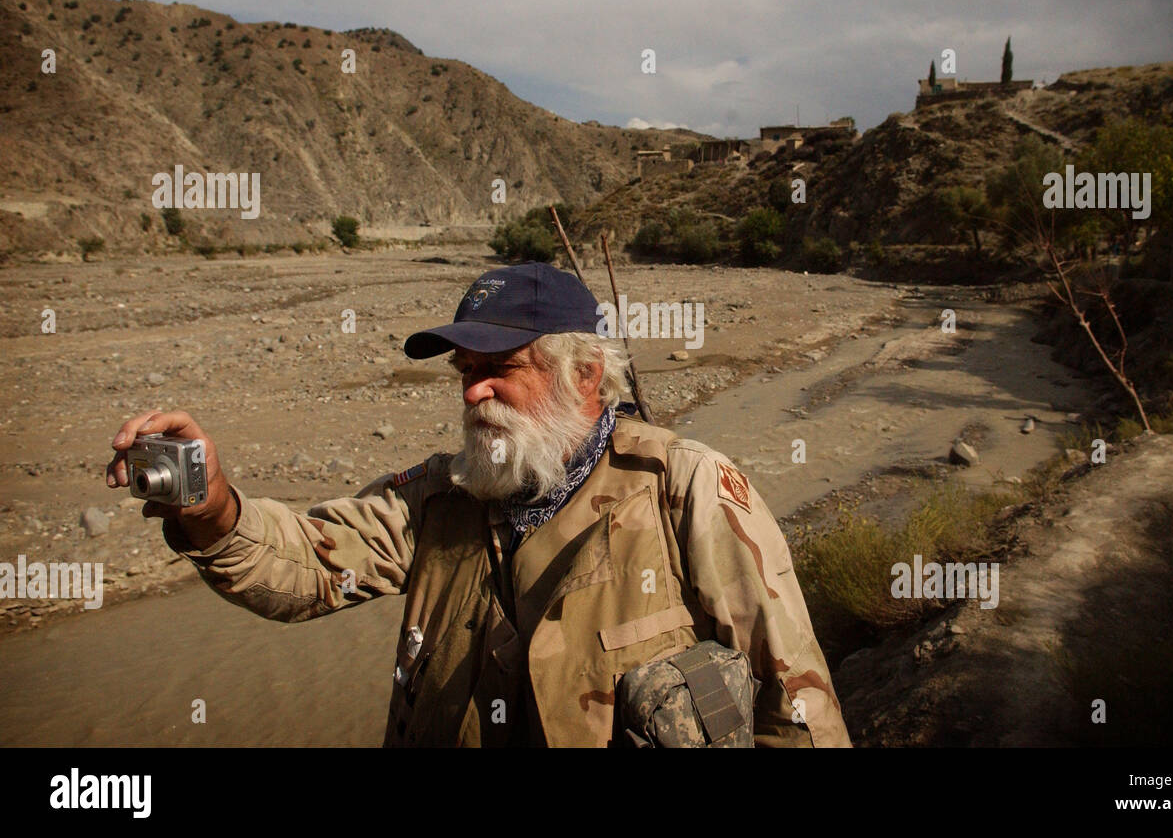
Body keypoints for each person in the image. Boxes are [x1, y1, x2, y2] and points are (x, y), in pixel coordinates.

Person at [106, 262, 851, 748]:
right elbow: (306, 565)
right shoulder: (442, 496)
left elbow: (798, 709)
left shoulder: (685, 489)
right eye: (466, 371)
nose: (471, 392)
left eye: (499, 369)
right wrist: (209, 506)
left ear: (586, 375)